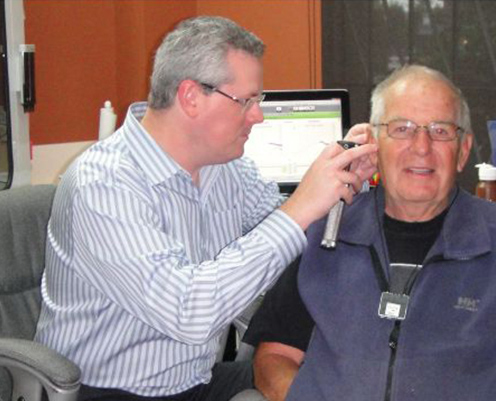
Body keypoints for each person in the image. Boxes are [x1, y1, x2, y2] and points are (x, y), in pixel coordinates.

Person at [34, 16, 377, 401]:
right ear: (191, 97)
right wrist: (300, 207)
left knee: (324, 378)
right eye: (246, 101)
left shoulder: (225, 168)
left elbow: (292, 232)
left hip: (194, 381)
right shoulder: (104, 183)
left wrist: (346, 180)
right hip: (106, 391)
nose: (258, 116)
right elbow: (188, 312)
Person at [243, 65, 496, 401]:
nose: (421, 147)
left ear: (463, 151)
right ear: (375, 144)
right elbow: (274, 357)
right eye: (402, 128)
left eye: (440, 130)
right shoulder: (325, 233)